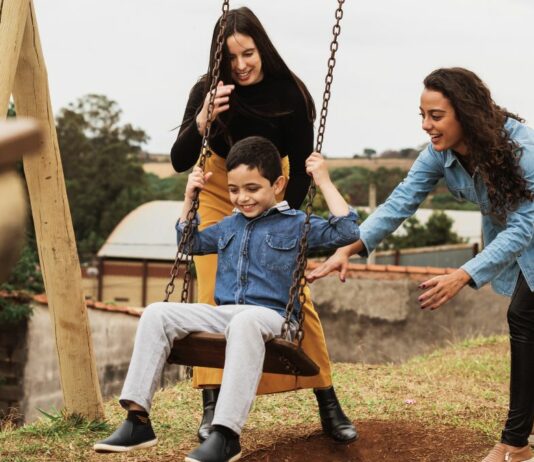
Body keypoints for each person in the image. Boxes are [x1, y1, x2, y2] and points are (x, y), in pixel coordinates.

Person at [308, 67, 534, 462]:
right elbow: (400, 202)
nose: (427, 126)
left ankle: (515, 444)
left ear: (466, 113)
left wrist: (465, 273)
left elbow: (526, 223)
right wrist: (352, 246)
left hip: (528, 233)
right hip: (521, 244)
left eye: (436, 116)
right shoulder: (440, 155)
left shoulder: (521, 147)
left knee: (523, 320)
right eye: (423, 115)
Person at [93, 136, 360, 461]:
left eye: (252, 188)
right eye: (234, 190)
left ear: (278, 185)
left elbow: (347, 231)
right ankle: (137, 421)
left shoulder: (296, 225)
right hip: (229, 315)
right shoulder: (227, 226)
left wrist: (324, 180)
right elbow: (188, 244)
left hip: (275, 320)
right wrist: (190, 196)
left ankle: (226, 434)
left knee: (246, 320)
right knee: (156, 313)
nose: (242, 198)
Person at [170, 6, 356, 443]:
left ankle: (327, 399)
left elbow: (299, 175)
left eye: (248, 53)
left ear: (262, 48)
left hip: (274, 193)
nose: (240, 65)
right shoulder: (207, 89)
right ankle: (212, 402)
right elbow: (181, 160)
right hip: (221, 191)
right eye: (231, 58)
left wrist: (276, 224)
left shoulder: (289, 94)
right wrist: (203, 119)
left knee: (291, 293)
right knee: (216, 290)